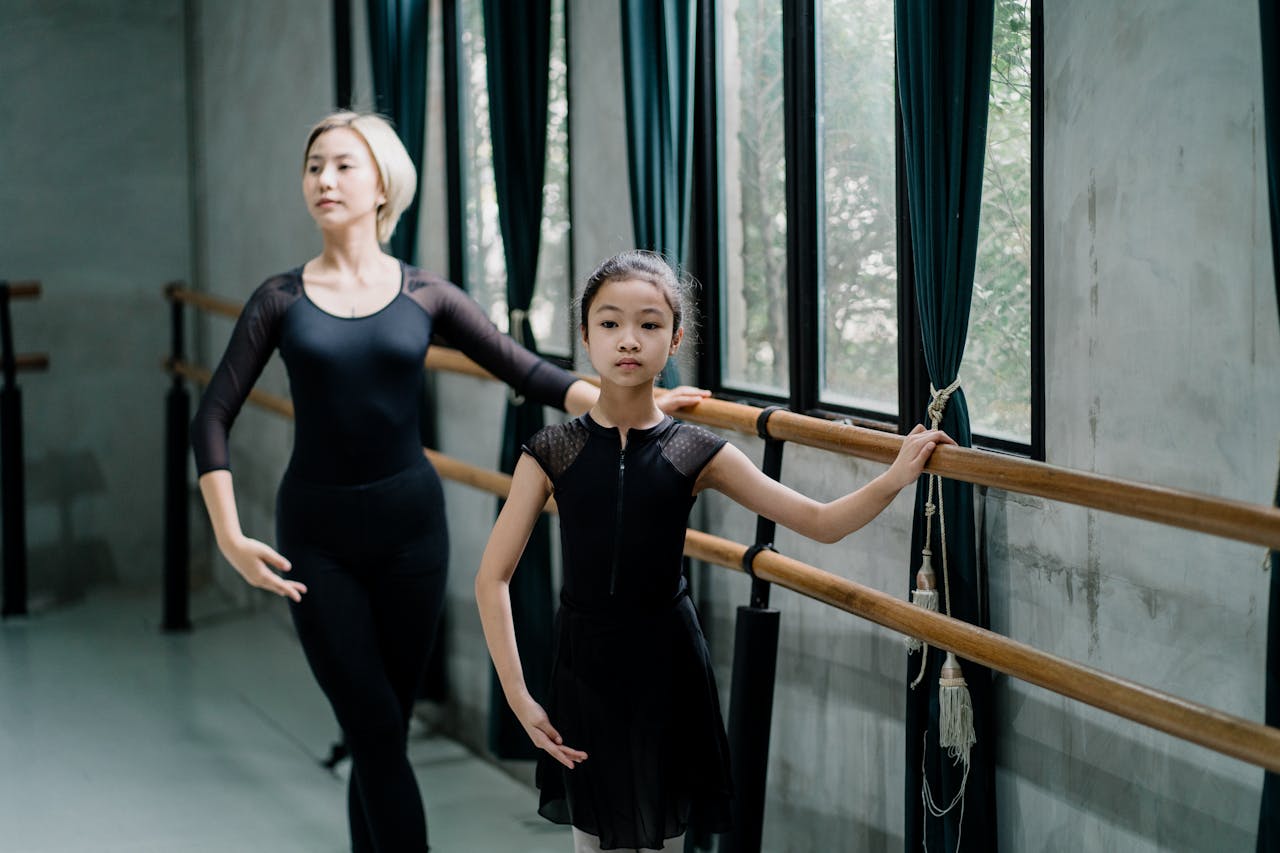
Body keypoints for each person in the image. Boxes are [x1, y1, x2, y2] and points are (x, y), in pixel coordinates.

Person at [189, 113, 706, 853]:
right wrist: (232, 535)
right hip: (317, 543)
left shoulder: (425, 294)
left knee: (383, 733)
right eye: (314, 167)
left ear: (382, 186)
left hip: (412, 540)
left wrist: (635, 405)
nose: (324, 180)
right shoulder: (281, 299)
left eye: (342, 166)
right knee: (372, 731)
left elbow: (527, 371)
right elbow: (212, 414)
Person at [475, 250, 954, 852]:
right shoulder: (551, 451)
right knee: (592, 842)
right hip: (583, 668)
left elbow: (819, 522)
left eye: (649, 325)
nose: (629, 340)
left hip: (668, 665)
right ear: (585, 337)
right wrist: (519, 698)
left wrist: (894, 476)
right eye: (610, 323)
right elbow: (491, 578)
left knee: (662, 840)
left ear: (674, 341)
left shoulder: (694, 451)